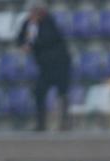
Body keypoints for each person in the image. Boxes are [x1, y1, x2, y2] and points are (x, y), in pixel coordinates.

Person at [16, 2, 72, 132]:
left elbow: (47, 39)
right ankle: (41, 124)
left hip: (59, 64)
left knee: (62, 93)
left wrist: (31, 45)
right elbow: (20, 38)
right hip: (44, 67)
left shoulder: (49, 22)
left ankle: (64, 122)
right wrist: (23, 45)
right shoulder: (29, 24)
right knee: (39, 93)